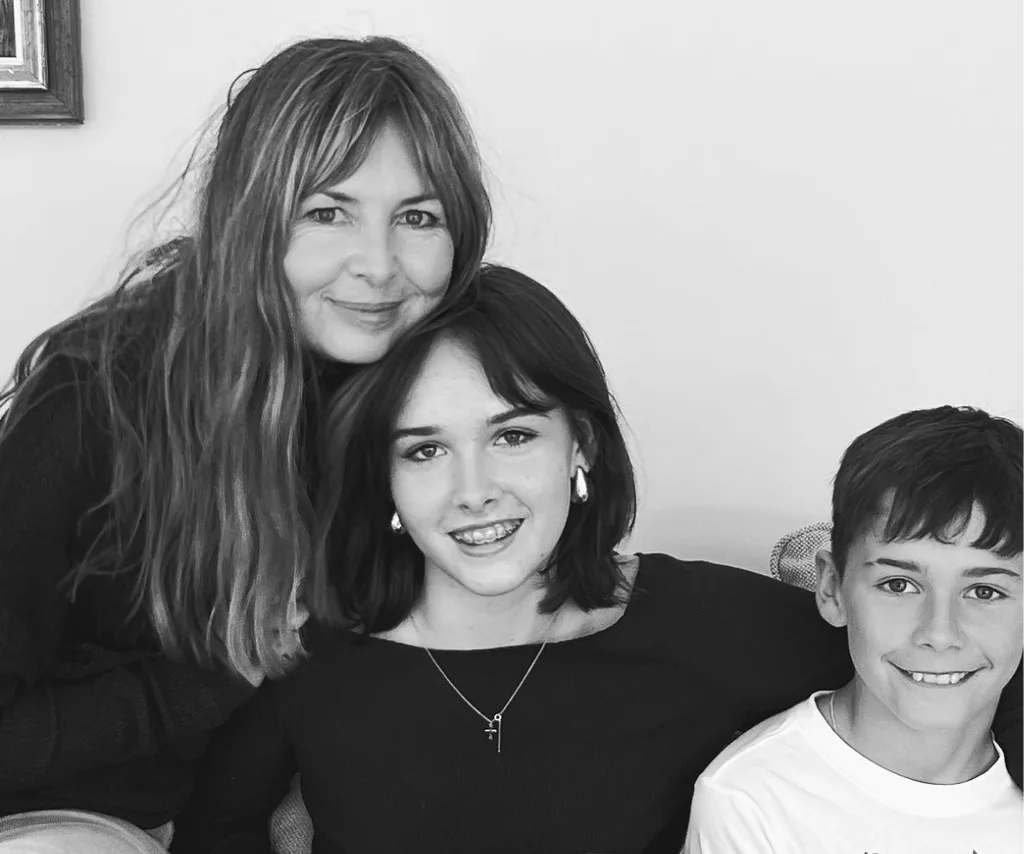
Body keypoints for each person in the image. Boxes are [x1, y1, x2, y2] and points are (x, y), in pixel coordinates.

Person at [168, 266, 1023, 854]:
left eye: (511, 435)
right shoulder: (308, 648)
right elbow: (214, 834)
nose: (475, 491)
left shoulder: (717, 630)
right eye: (423, 450)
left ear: (578, 444)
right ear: (381, 475)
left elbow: (950, 659)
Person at [0, 35, 490, 851]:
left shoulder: (426, 385)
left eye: (418, 216)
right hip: (72, 815)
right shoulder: (97, 398)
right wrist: (209, 679)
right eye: (326, 212)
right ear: (250, 220)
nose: (378, 265)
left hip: (269, 793)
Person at [683, 407, 1023, 853]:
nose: (940, 633)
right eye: (899, 585)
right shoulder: (753, 801)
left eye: (983, 592)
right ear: (832, 588)